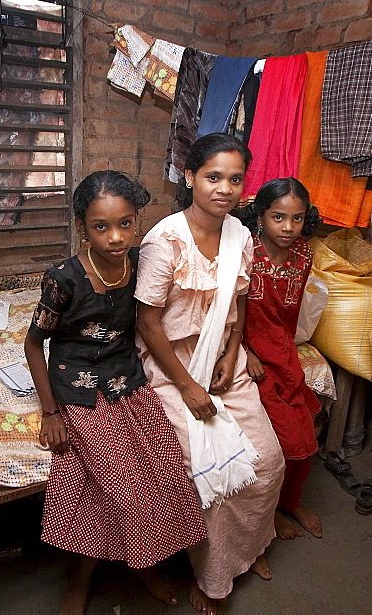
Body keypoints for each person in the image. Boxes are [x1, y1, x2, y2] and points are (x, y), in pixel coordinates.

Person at [24, 170, 207, 615]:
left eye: (125, 223)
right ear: (82, 227)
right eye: (100, 226)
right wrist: (50, 412)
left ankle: (142, 563)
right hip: (78, 385)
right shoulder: (62, 279)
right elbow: (33, 344)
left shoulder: (143, 262)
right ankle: (82, 580)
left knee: (162, 467)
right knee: (117, 485)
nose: (115, 237)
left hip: (127, 378)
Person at [134, 134, 285, 615]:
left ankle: (248, 549)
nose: (224, 188)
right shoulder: (166, 240)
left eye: (235, 179)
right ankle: (213, 577)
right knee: (216, 473)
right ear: (190, 177)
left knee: (267, 460)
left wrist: (232, 351)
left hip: (223, 359)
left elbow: (236, 301)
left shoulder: (240, 235)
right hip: (172, 366)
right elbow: (147, 322)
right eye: (213, 177)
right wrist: (188, 386)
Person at [241, 177, 325, 540]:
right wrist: (243, 351)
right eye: (278, 217)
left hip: (283, 351)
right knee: (279, 441)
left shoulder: (304, 254)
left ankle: (289, 501)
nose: (288, 228)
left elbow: (289, 316)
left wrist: (286, 352)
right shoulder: (244, 252)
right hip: (249, 353)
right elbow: (225, 308)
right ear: (260, 216)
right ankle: (267, 513)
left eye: (297, 218)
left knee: (307, 428)